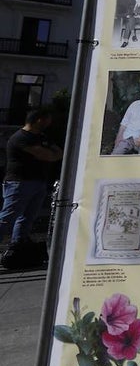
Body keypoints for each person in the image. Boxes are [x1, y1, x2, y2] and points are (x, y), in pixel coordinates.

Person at [0, 108, 62, 269]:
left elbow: (58, 153)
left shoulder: (41, 137)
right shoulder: (20, 138)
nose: (50, 123)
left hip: (38, 182)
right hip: (19, 183)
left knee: (26, 219)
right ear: (39, 120)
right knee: (7, 218)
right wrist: (51, 154)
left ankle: (17, 249)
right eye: (47, 119)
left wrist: (52, 154)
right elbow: (48, 155)